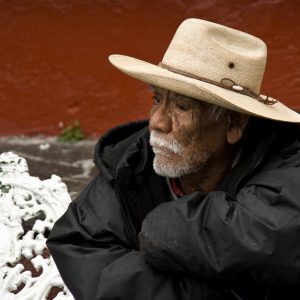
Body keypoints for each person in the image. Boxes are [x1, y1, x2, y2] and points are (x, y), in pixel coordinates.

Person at [47, 18, 300, 300]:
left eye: (181, 106)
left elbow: (276, 237)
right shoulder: (133, 164)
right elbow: (81, 244)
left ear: (233, 124)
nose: (157, 122)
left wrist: (162, 229)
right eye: (157, 99)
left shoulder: (286, 161)